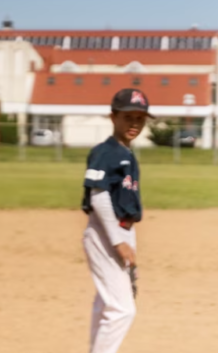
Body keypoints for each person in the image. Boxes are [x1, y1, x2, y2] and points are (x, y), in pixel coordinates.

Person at [81, 88, 151, 353]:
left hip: (120, 232)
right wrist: (118, 242)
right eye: (128, 117)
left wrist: (126, 240)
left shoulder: (125, 153)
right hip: (105, 234)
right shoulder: (106, 152)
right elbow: (98, 197)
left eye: (140, 118)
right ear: (113, 117)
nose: (134, 123)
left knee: (107, 302)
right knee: (123, 309)